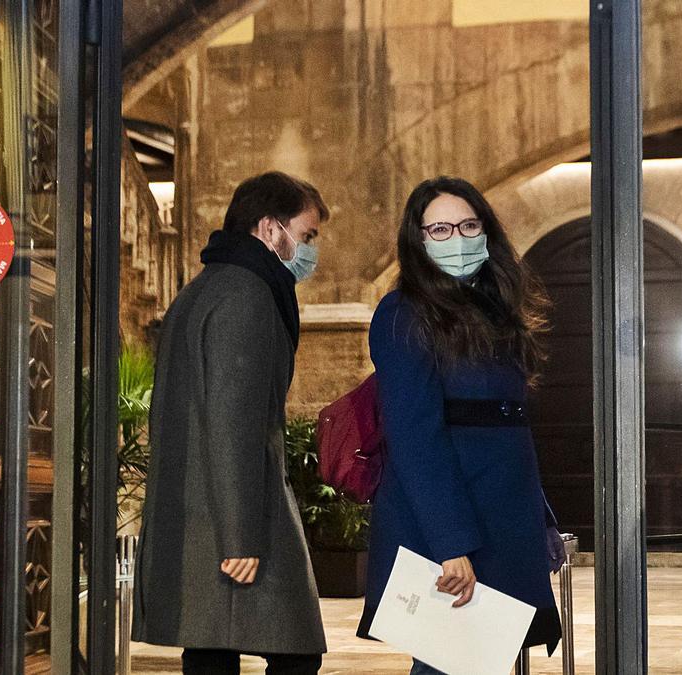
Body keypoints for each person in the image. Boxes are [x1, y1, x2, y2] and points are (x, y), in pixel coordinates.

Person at [357, 176, 562, 673]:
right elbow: (413, 438)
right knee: (450, 662)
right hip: (453, 528)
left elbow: (509, 428)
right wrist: (450, 546)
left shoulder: (493, 309)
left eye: (469, 225)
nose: (459, 239)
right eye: (442, 229)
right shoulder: (402, 312)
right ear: (419, 240)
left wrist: (542, 520)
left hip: (502, 520)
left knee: (487, 660)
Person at [132, 171, 330, 674]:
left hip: (198, 513)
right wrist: (241, 536)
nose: (309, 251)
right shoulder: (247, 294)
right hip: (240, 518)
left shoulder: (203, 289)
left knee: (211, 649)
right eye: (305, 236)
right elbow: (233, 419)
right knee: (293, 652)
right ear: (269, 229)